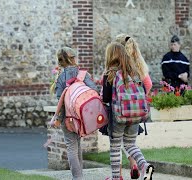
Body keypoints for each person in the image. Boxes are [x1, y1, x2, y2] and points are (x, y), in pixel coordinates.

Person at [102, 42, 154, 180]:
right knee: (130, 144)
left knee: (115, 146)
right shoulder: (135, 72)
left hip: (119, 116)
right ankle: (144, 166)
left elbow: (106, 98)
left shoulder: (110, 73)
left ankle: (115, 178)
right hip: (136, 115)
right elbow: (143, 90)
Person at [50, 47, 97, 180]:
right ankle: (79, 176)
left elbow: (61, 101)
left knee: (71, 146)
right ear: (73, 58)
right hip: (82, 117)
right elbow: (94, 91)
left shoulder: (60, 77)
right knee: (77, 145)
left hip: (68, 119)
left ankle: (77, 177)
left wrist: (59, 118)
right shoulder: (82, 74)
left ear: (61, 61)